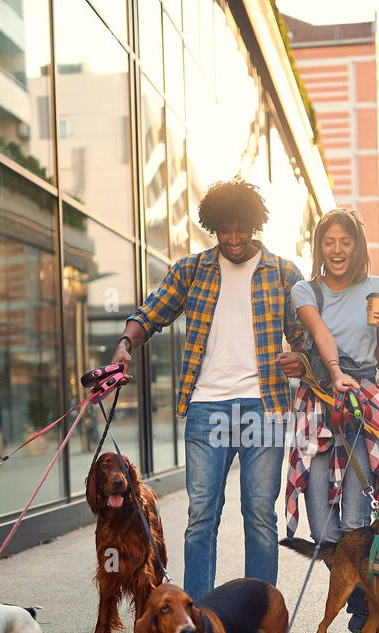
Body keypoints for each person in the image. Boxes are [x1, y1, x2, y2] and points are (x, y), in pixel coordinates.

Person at [110, 179, 305, 600]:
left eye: (241, 229)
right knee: (201, 516)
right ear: (212, 227)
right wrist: (126, 343)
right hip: (207, 408)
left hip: (264, 406)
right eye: (224, 230)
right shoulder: (192, 270)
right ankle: (196, 617)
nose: (233, 240)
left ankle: (256, 616)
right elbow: (151, 313)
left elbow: (304, 336)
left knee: (258, 516)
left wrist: (302, 360)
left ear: (255, 225)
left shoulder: (285, 273)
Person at [280, 208, 379, 633]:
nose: (336, 250)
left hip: (361, 407)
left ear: (357, 245)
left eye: (345, 241)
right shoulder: (305, 291)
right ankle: (367, 614)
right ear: (320, 246)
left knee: (355, 523)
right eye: (328, 241)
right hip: (319, 404)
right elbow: (320, 334)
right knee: (326, 532)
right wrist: (332, 374)